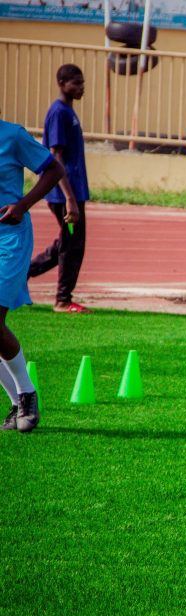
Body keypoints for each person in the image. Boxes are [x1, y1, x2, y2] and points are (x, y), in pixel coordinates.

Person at [0, 119, 66, 432]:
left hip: (9, 237)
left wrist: (23, 205)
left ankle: (27, 395)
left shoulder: (12, 136)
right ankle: (18, 402)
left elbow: (54, 169)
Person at [27, 64, 91, 313]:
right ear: (62, 83)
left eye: (82, 82)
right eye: (76, 83)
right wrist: (69, 199)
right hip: (64, 193)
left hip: (73, 191)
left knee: (68, 241)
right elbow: (55, 156)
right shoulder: (58, 113)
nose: (81, 87)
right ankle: (63, 300)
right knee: (72, 244)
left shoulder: (68, 112)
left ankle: (25, 273)